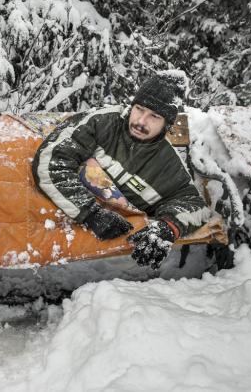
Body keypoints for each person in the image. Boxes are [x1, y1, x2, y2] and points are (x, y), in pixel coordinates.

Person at [32, 72, 211, 269]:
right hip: (52, 214)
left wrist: (167, 228)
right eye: (139, 108)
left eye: (154, 116)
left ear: (167, 124)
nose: (141, 121)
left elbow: (194, 204)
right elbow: (52, 160)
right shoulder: (103, 123)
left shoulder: (166, 162)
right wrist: (91, 214)